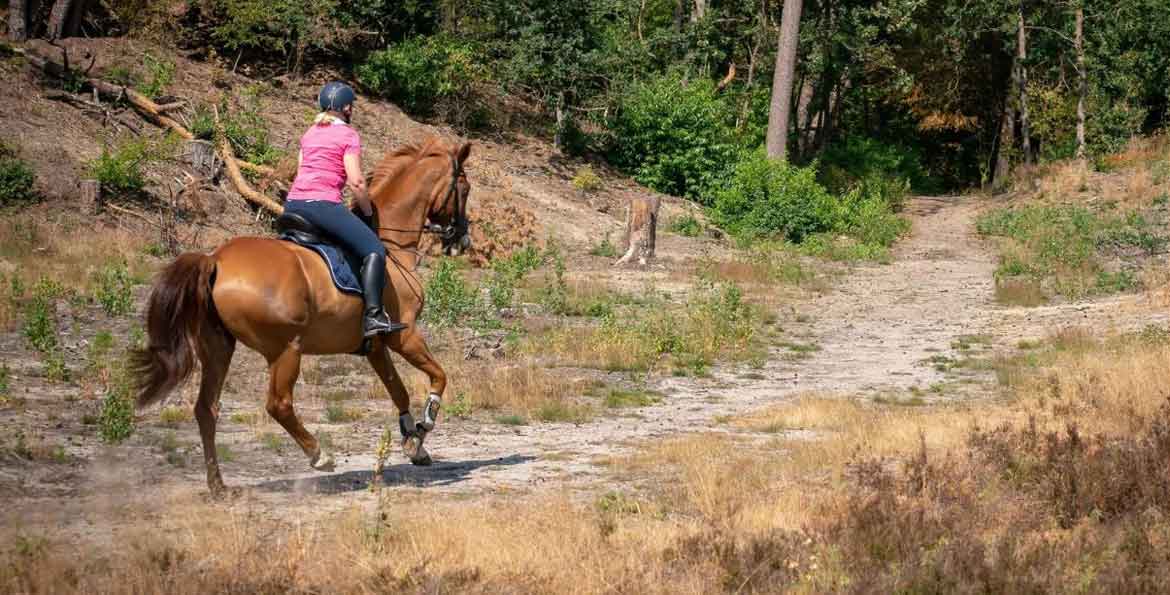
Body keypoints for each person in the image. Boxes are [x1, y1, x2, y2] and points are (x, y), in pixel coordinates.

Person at [284, 81, 406, 337]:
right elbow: (357, 182)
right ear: (347, 107)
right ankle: (373, 317)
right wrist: (368, 212)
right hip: (323, 204)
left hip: (293, 204)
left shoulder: (309, 133)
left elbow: (300, 171)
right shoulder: (348, 135)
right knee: (373, 248)